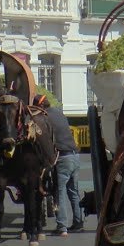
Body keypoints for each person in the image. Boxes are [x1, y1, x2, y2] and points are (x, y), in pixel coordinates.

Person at [35, 94, 83, 236]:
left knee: (59, 192)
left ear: (40, 106)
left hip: (62, 158)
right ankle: (78, 222)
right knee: (73, 191)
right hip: (75, 155)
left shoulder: (44, 117)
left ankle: (62, 227)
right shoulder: (58, 112)